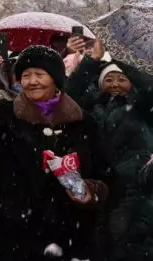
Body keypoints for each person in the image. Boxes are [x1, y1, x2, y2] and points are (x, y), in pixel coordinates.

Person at [0, 45, 111, 261]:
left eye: (39, 74)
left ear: (56, 79)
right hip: (17, 231)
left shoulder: (84, 122)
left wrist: (91, 191)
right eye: (26, 75)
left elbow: (105, 173)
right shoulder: (8, 115)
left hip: (70, 231)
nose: (32, 81)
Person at [65, 38, 153, 260]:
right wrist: (91, 61)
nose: (115, 84)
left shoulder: (143, 107)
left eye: (122, 79)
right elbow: (68, 96)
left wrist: (118, 58)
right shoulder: (91, 107)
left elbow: (148, 85)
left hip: (136, 191)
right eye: (109, 79)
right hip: (99, 188)